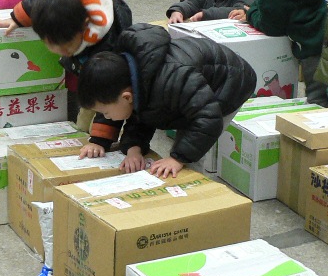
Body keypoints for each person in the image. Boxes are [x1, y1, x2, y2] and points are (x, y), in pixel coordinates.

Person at [77, 24, 257, 178]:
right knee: (175, 120)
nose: (105, 116)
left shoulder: (172, 80)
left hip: (230, 83)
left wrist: (178, 158)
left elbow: (208, 118)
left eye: (105, 112)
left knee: (189, 148)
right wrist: (134, 149)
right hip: (191, 89)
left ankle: (196, 191)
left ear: (126, 97)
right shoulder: (132, 79)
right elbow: (141, 113)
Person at [6, 0, 133, 147]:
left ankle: (107, 138)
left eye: (68, 48)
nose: (62, 52)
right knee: (82, 125)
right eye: (53, 46)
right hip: (87, 68)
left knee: (106, 111)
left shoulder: (109, 44)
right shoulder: (53, 0)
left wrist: (100, 141)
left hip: (108, 84)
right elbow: (35, 1)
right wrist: (17, 19)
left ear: (85, 26)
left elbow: (110, 94)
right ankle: (85, 134)